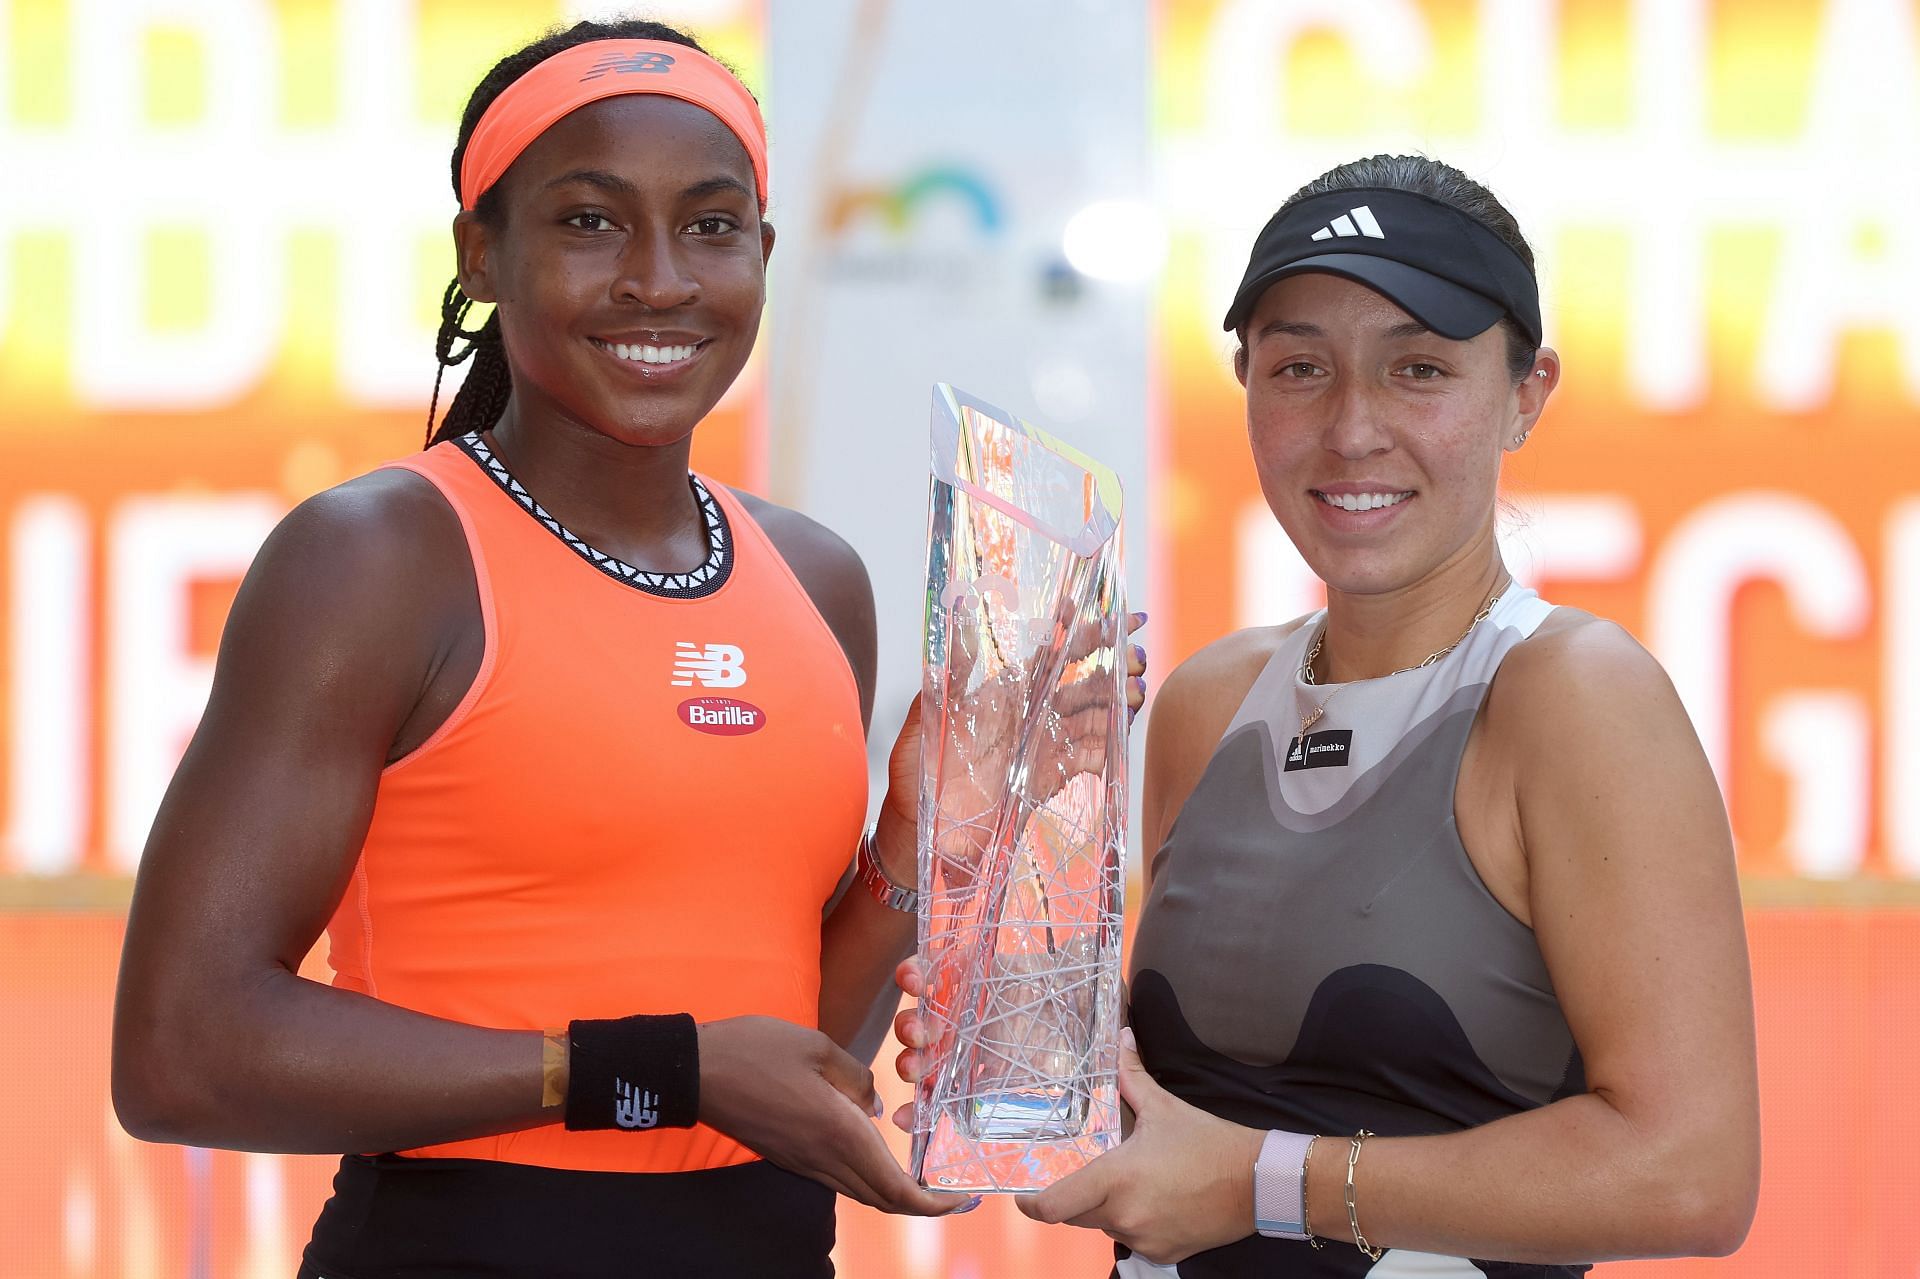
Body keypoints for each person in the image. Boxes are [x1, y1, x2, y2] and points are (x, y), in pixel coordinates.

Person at [110, 18, 1144, 1277]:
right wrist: (661, 1067)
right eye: (590, 222)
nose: (659, 279)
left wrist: (922, 844)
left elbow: (791, 1055)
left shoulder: (817, 581)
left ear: (762, 254)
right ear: (480, 253)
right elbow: (182, 1052)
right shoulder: (382, 558)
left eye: (710, 227)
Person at [896, 155, 1760, 1276]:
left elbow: (1689, 1174)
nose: (1353, 428)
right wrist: (1006, 1041)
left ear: (1526, 394)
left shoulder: (1574, 697)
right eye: (1301, 366)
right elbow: (1178, 1123)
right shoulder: (1211, 700)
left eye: (1418, 370)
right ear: (1245, 377)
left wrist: (1259, 1180)